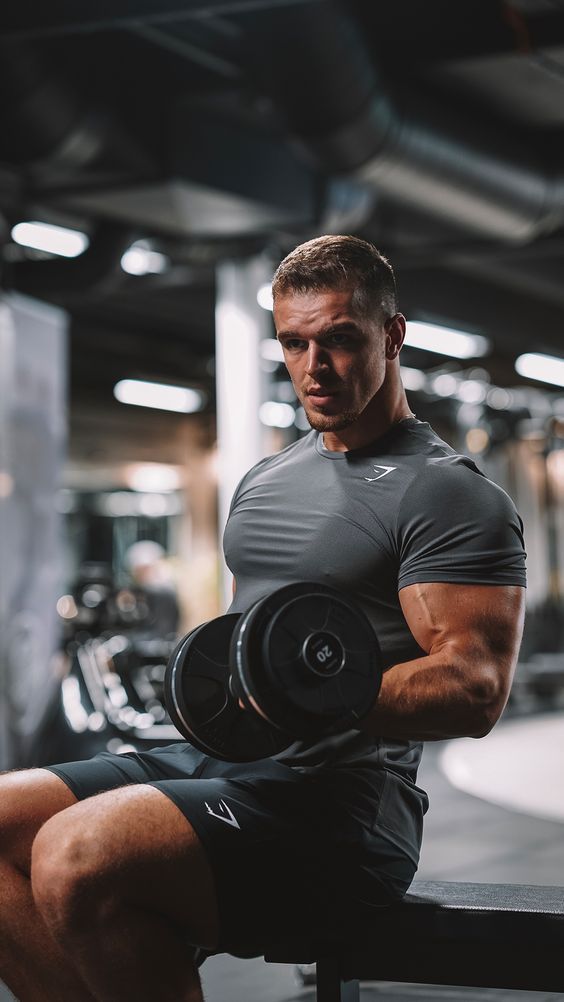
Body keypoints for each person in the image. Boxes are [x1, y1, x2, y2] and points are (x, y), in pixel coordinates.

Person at [0, 235, 526, 1002]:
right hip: (223, 765)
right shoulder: (265, 482)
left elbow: (473, 687)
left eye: (342, 340)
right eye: (295, 342)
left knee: (79, 853)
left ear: (392, 334)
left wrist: (300, 695)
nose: (316, 366)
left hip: (344, 806)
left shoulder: (447, 493)